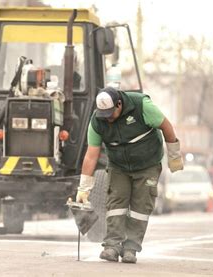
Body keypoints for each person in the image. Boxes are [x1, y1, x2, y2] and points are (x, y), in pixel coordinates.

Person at [75, 87, 183, 263]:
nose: (108, 118)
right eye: (104, 115)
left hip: (148, 164)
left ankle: (130, 249)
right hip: (119, 166)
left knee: (141, 206)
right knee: (115, 203)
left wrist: (174, 155)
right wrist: (84, 188)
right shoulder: (97, 121)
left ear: (119, 104)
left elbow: (166, 126)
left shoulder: (141, 106)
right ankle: (112, 246)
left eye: (110, 113)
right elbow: (91, 154)